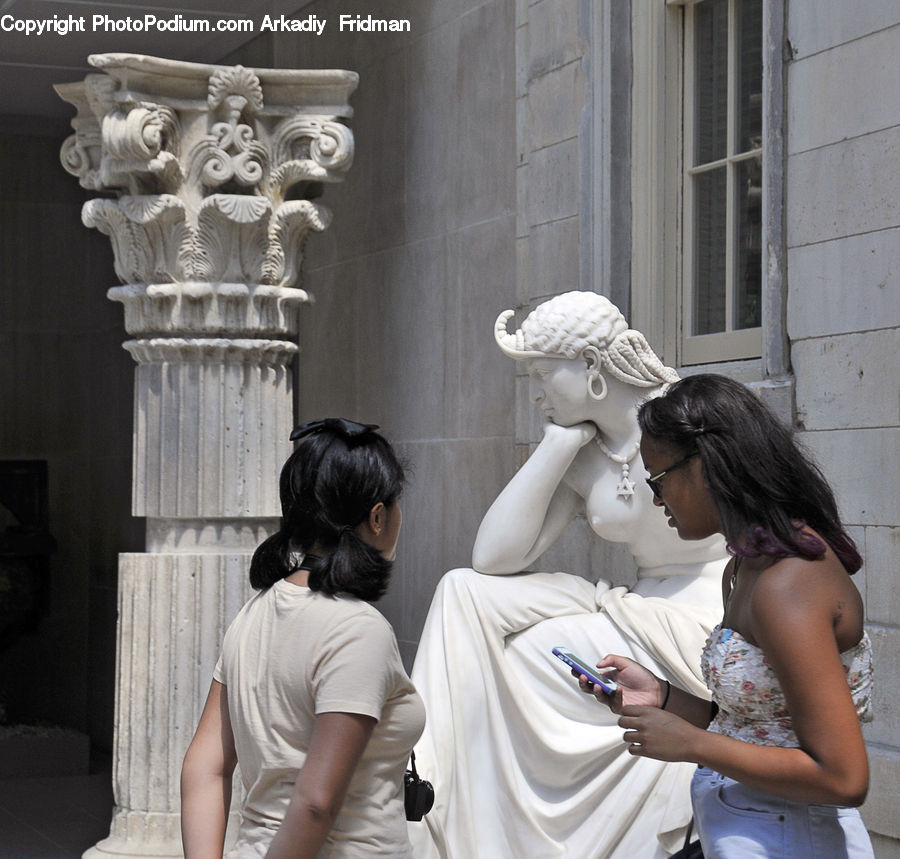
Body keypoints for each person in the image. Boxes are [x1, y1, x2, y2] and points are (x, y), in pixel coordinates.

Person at [408, 292, 731, 859]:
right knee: (463, 589)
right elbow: (493, 557)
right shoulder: (584, 452)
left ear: (590, 367)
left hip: (701, 616)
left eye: (541, 375)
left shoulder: (687, 422)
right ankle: (425, 790)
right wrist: (555, 447)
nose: (535, 394)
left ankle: (447, 807)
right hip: (632, 607)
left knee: (518, 660)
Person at [576, 374, 874, 858]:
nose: (656, 498)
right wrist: (664, 697)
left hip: (793, 839)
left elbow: (843, 778)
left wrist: (693, 744)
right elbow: (761, 727)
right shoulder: (744, 565)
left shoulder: (788, 583)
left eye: (659, 478)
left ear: (707, 466)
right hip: (750, 829)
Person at [180, 418, 425, 858]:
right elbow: (315, 804)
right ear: (377, 516)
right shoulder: (358, 630)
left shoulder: (252, 615)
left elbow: (205, 767)